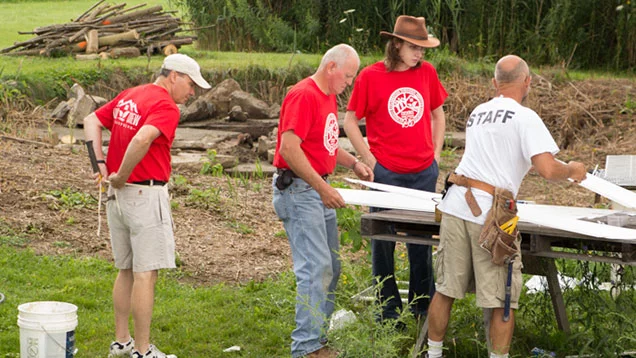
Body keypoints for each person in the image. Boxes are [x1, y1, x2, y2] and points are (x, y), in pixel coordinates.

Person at [426, 55, 587, 358]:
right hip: (491, 216)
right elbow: (548, 170)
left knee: (446, 290)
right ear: (527, 82)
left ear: (494, 83)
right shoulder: (525, 117)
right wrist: (573, 170)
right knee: (502, 298)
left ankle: (432, 354)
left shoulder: (478, 112)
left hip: (456, 205)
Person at [83, 53, 211, 358]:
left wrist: (99, 164)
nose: (191, 93)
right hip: (144, 195)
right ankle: (142, 351)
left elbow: (90, 121)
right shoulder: (166, 105)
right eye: (191, 85)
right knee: (145, 275)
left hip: (118, 200)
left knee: (125, 270)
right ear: (174, 76)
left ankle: (121, 341)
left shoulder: (131, 95)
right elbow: (142, 139)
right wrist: (122, 174)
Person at [343, 15, 447, 323]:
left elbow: (438, 115)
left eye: (423, 48)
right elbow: (350, 120)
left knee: (422, 243)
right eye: (414, 47)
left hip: (423, 171)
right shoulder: (370, 76)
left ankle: (421, 309)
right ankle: (387, 312)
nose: (419, 54)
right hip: (386, 172)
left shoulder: (427, 72)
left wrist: (436, 156)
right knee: (383, 243)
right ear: (396, 44)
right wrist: (369, 159)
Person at [272, 44, 374, 358]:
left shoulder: (327, 95)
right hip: (300, 191)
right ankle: (305, 347)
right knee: (315, 269)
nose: (349, 83)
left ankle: (317, 337)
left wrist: (353, 163)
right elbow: (290, 149)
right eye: (348, 75)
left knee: (331, 266)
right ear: (331, 67)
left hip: (314, 189)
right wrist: (322, 189)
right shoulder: (304, 95)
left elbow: (323, 146)